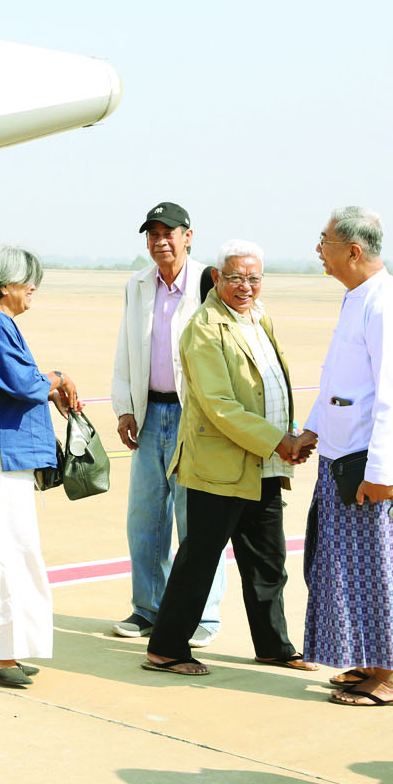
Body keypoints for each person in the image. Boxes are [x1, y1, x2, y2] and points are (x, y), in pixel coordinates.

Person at [143, 240, 317, 677]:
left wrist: (287, 438)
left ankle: (273, 646)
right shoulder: (204, 328)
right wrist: (277, 440)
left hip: (263, 463)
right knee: (200, 560)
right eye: (236, 277)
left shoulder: (260, 318)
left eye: (254, 278)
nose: (245, 286)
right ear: (218, 278)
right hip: (219, 466)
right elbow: (220, 405)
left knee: (267, 562)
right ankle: (166, 648)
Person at [296, 207, 393, 706]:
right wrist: (312, 430)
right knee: (346, 569)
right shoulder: (358, 298)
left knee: (380, 569)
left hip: (371, 465)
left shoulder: (385, 303)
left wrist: (382, 473)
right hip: (343, 456)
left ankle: (392, 677)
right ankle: (370, 663)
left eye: (324, 241)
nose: (318, 250)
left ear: (352, 250)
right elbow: (339, 381)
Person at [0, 246, 79, 685]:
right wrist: (58, 378)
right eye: (28, 280)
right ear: (6, 285)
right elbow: (23, 384)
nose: (33, 287)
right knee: (6, 555)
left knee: (3, 556)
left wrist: (50, 384)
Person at [109, 202, 226, 648]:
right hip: (149, 413)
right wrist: (125, 408)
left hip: (194, 417)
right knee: (145, 519)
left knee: (195, 521)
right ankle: (148, 608)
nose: (160, 241)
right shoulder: (138, 285)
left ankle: (202, 615)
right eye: (152, 234)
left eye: (168, 233)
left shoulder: (208, 281)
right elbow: (126, 348)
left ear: (188, 237)